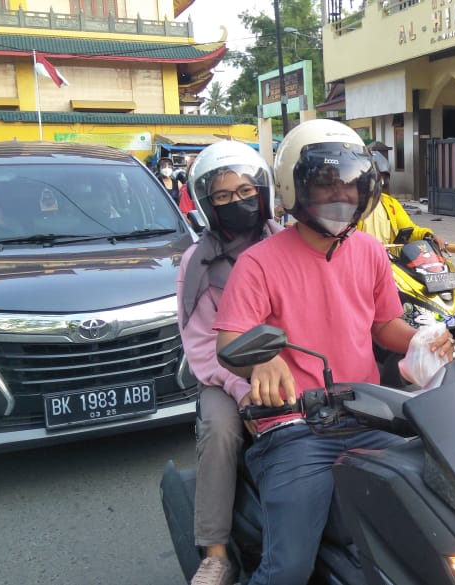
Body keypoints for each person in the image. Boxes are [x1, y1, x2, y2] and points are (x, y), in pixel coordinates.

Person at [213, 119, 453, 585]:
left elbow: (384, 325)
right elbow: (228, 341)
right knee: (288, 570)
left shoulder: (367, 251)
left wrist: (427, 339)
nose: (340, 197)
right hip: (293, 429)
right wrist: (261, 358)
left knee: (433, 520)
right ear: (292, 188)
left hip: (368, 417)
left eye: (350, 185)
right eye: (325, 185)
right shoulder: (258, 262)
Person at [177, 141, 282, 585]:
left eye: (244, 191)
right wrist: (247, 389)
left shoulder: (286, 244)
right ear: (206, 206)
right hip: (225, 377)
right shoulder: (196, 263)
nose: (236, 202)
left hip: (292, 368)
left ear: (263, 192)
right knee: (220, 432)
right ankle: (216, 551)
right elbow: (201, 345)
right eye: (222, 197)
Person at [359, 149, 446, 249]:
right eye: (372, 178)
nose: (377, 183)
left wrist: (428, 236)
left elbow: (410, 230)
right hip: (362, 261)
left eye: (381, 178)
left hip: (388, 259)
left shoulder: (390, 204)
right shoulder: (352, 206)